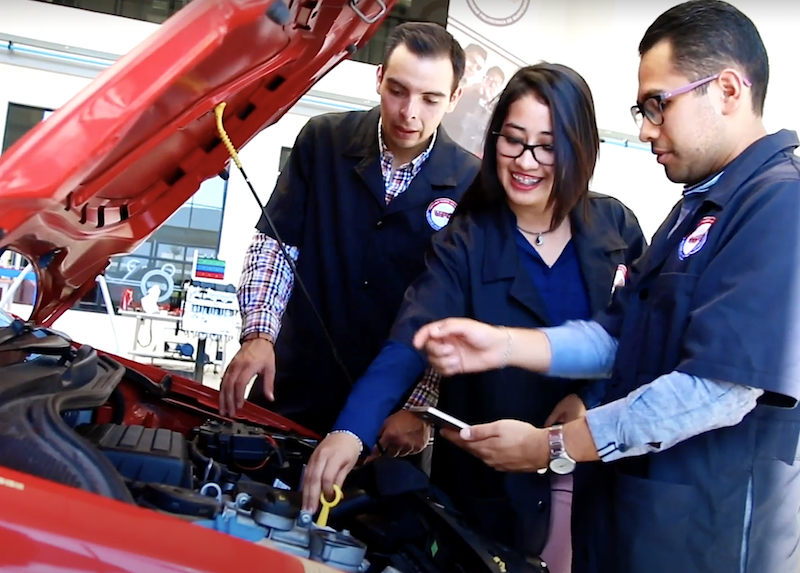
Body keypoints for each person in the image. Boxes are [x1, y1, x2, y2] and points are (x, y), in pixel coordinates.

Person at [413, 2, 800, 572]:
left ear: (726, 90)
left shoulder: (777, 205)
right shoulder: (693, 213)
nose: (645, 129)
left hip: (703, 541)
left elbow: (717, 389)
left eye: (657, 105)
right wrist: (505, 344)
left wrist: (552, 447)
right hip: (631, 527)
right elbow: (617, 336)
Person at [301, 63, 647, 573]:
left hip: (594, 480)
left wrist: (589, 399)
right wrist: (352, 430)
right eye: (513, 140)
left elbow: (639, 337)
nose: (526, 162)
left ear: (581, 148)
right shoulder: (467, 237)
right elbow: (410, 339)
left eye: (548, 146)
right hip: (484, 494)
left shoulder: (615, 226)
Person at [218, 22, 481, 435]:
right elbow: (276, 246)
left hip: (390, 418)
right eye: (398, 90)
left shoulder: (471, 182)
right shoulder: (323, 141)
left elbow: (457, 307)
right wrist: (259, 334)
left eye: (430, 99)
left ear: (454, 98)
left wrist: (419, 406)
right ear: (378, 78)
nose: (410, 113)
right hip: (291, 387)